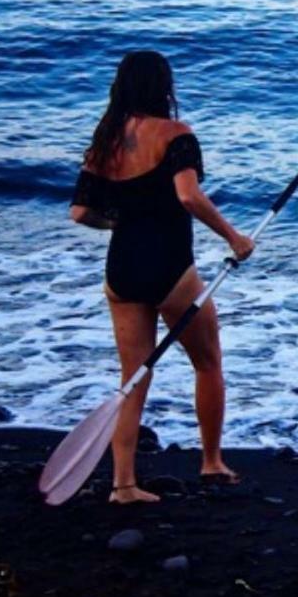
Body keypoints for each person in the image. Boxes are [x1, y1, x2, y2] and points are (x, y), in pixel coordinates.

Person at [70, 51, 254, 504]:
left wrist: (122, 225)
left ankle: (124, 485)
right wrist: (234, 237)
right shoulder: (177, 134)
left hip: (122, 267)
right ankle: (211, 462)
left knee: (134, 376)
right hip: (170, 266)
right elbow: (188, 197)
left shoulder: (105, 140)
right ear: (162, 86)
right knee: (207, 363)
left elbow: (80, 213)